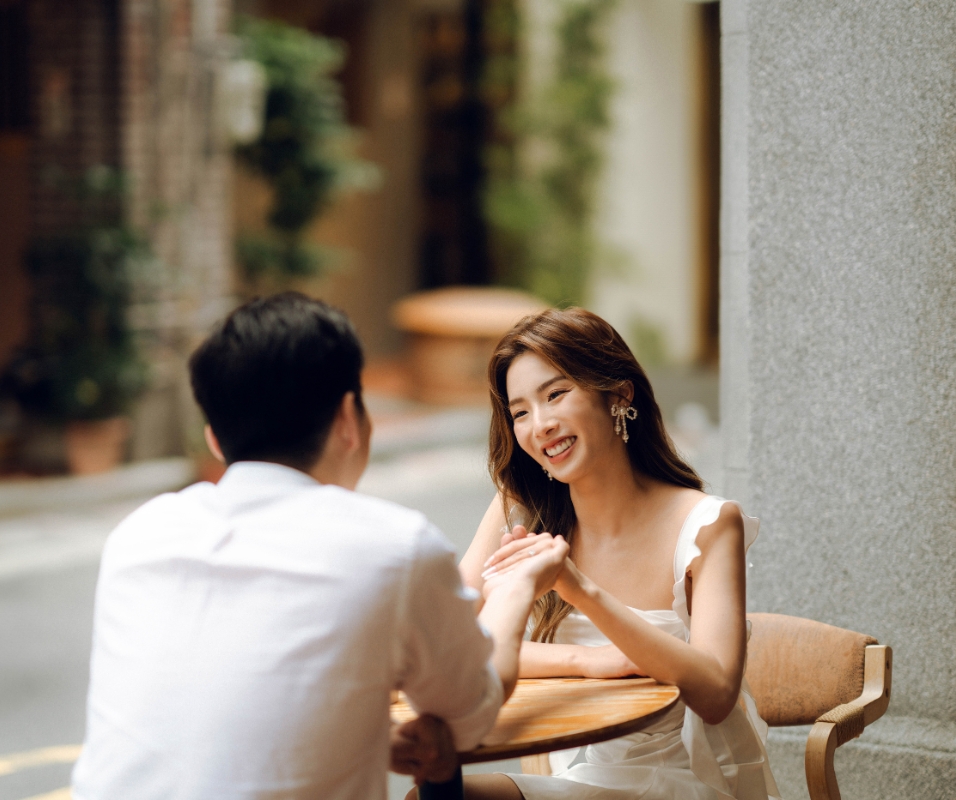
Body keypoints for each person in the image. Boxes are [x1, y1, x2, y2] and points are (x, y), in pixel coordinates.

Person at [70, 293, 568, 800]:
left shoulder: (139, 535)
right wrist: (513, 587)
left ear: (215, 441)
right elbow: (468, 716)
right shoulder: (392, 549)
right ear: (350, 417)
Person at [435, 308, 781, 800]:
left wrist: (579, 589)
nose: (541, 425)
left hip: (680, 782)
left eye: (556, 394)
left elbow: (718, 693)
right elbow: (452, 640)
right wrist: (586, 658)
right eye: (520, 412)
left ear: (619, 394)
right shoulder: (522, 506)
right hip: (583, 775)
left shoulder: (706, 524)